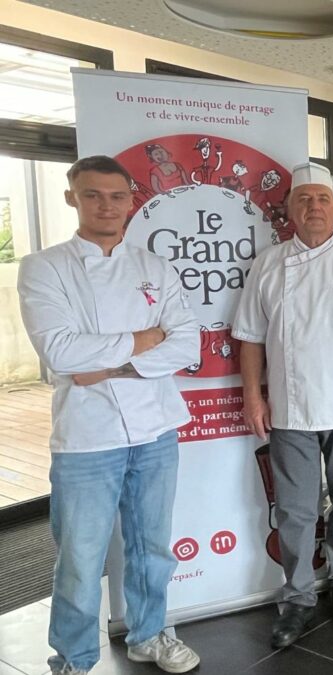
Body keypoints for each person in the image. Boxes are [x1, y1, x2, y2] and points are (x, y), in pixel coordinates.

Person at [17, 155, 201, 675]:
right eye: (93, 195)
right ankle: (73, 658)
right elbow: (62, 353)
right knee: (79, 558)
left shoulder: (154, 267)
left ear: (131, 200)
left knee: (152, 547)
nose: (106, 205)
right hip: (86, 439)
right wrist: (146, 340)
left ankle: (149, 635)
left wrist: (111, 364)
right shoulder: (44, 267)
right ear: (71, 196)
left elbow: (186, 344)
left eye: (116, 196)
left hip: (156, 429)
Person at [233, 162, 333, 648]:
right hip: (290, 409)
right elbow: (249, 339)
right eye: (304, 199)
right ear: (290, 209)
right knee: (296, 509)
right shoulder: (268, 264)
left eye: (322, 200)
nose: (314, 208)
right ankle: (298, 596)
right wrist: (252, 396)